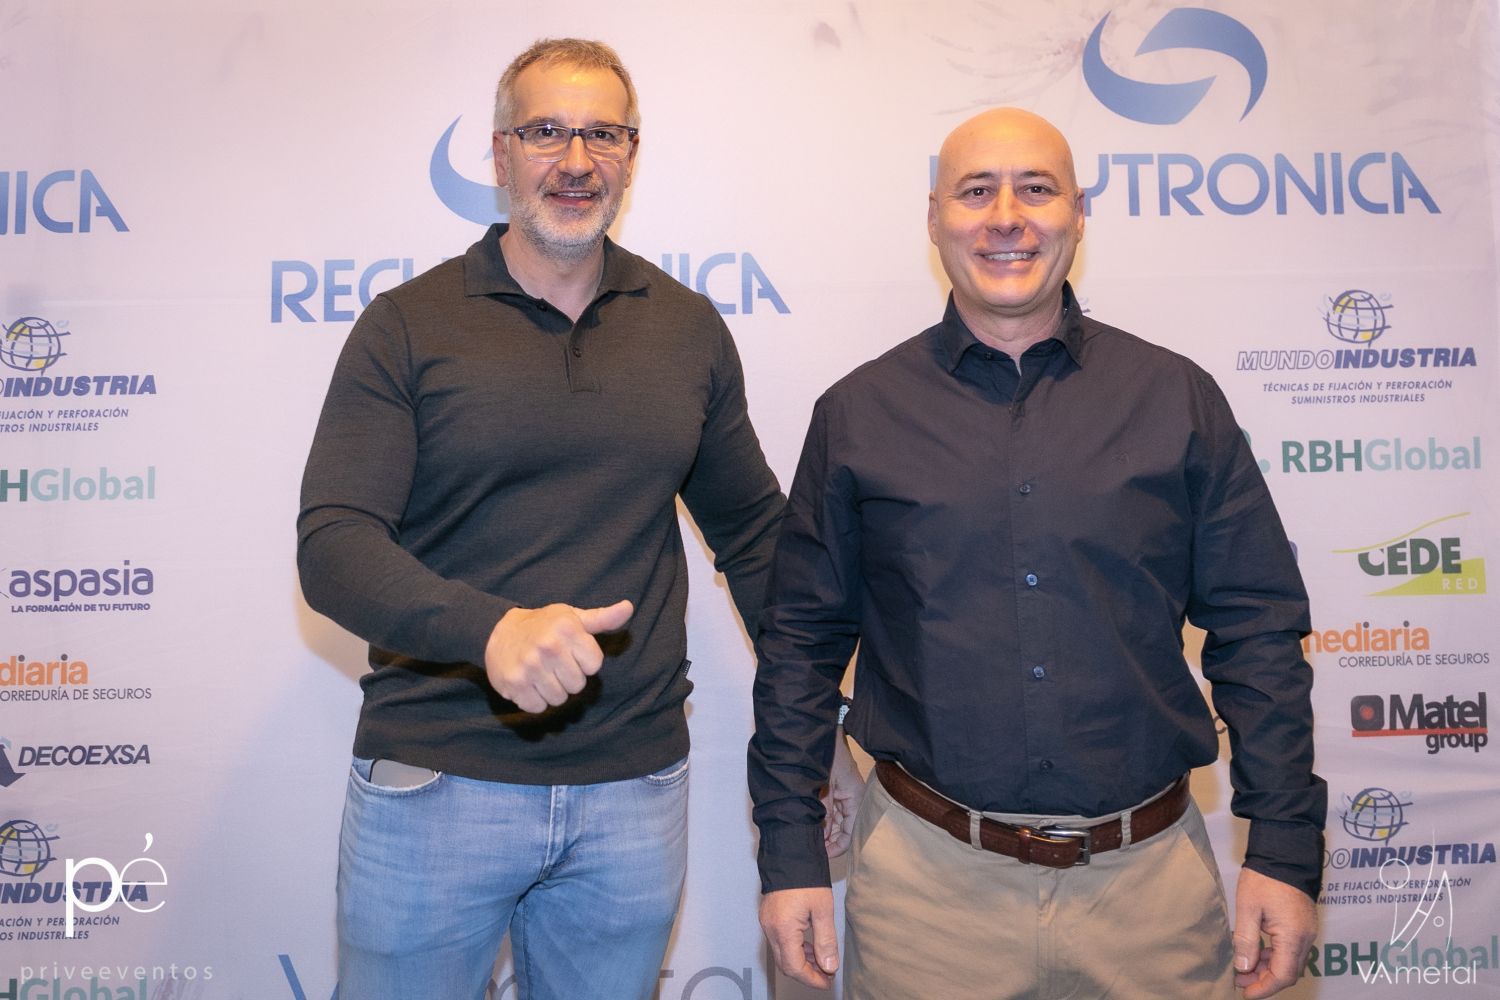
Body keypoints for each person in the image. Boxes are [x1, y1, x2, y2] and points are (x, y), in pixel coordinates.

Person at [748, 107, 1326, 1000]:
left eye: (1037, 189)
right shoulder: (858, 414)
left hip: (1151, 899)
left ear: (1079, 214)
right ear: (935, 217)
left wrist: (1283, 849)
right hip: (927, 901)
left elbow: (1259, 632)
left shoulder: (1176, 398)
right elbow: (800, 647)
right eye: (977, 191)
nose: (1006, 218)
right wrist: (791, 854)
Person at [297, 38, 789, 1000]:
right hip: (437, 782)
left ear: (632, 155)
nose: (576, 160)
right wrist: (490, 630)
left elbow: (757, 540)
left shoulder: (687, 327)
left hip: (635, 790)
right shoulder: (407, 325)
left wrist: (819, 731)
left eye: (603, 134)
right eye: (546, 132)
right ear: (499, 153)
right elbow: (335, 546)